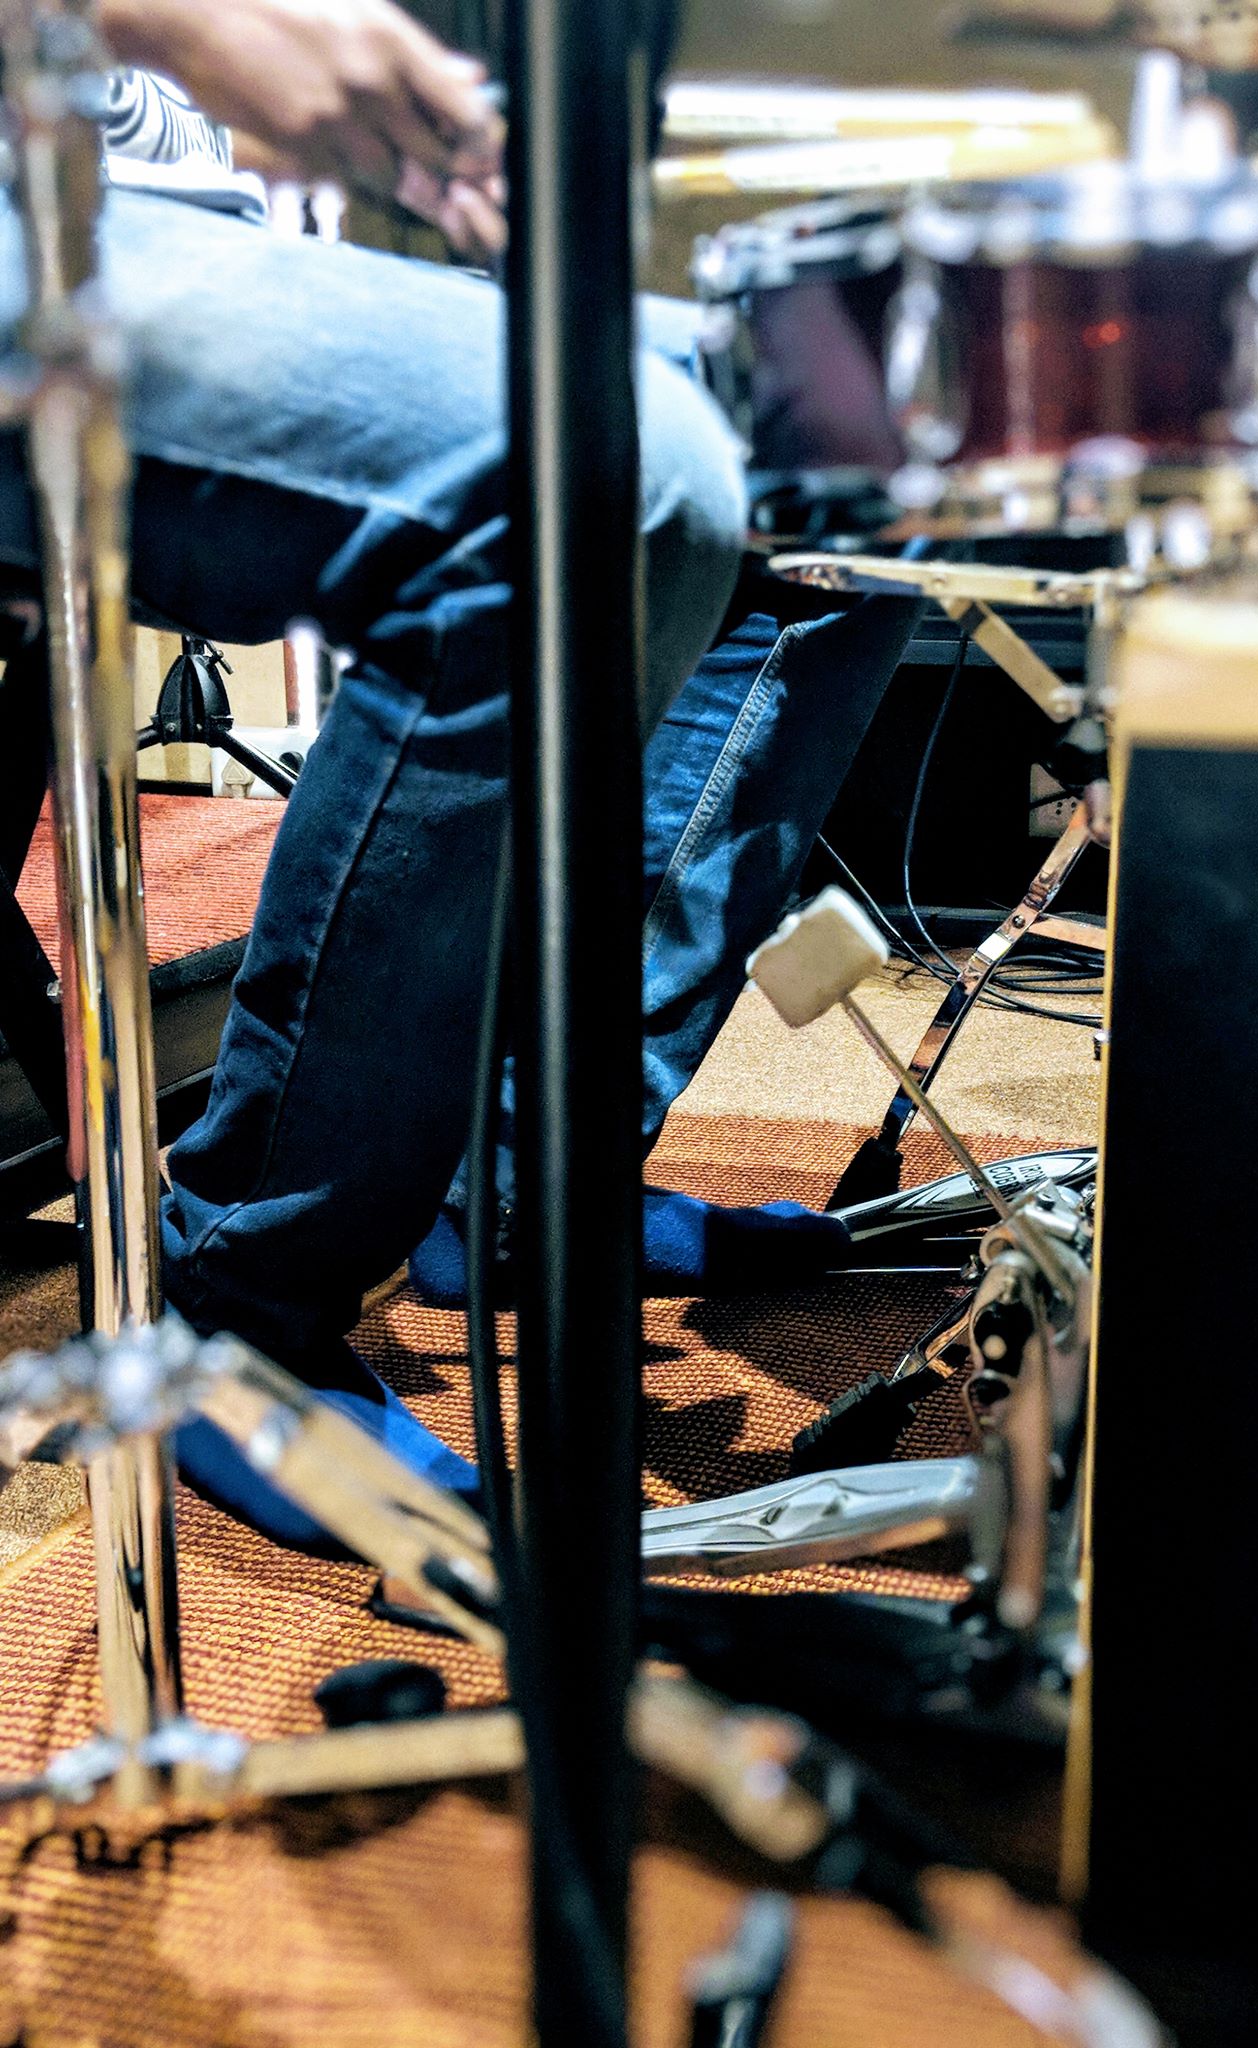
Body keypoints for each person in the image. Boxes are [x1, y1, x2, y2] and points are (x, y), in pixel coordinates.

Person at [0, 4, 921, 1543]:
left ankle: (517, 1185)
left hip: (162, 215)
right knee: (598, 481)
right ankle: (247, 1293)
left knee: (847, 421)